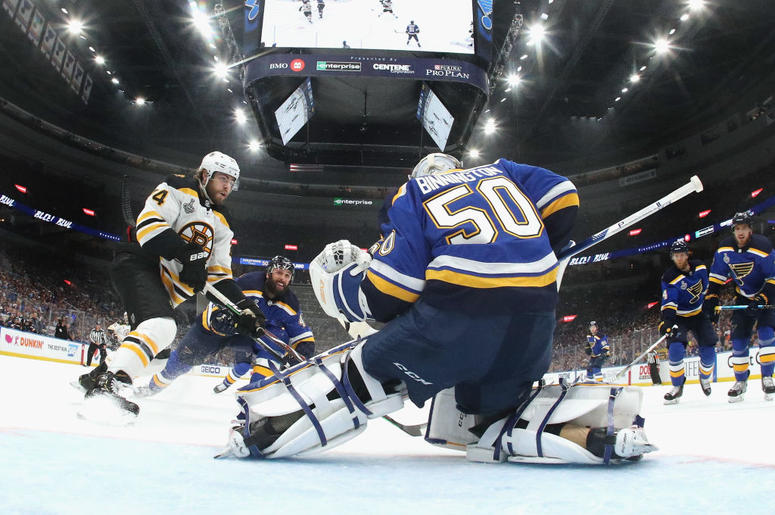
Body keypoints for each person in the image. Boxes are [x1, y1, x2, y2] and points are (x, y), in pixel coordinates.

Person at [220, 153, 656, 464]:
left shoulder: (413, 192)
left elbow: (389, 293)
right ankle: (600, 436)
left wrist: (340, 288)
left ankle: (263, 434)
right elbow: (564, 196)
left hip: (458, 320)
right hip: (535, 323)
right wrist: (541, 245)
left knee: (363, 370)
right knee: (492, 421)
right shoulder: (503, 171)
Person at [77, 151, 265, 417]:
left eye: (232, 181)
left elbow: (218, 277)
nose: (227, 186)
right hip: (141, 264)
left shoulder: (223, 223)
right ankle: (109, 388)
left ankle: (98, 375)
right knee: (161, 327)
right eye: (222, 178)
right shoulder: (178, 187)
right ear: (204, 175)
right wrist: (188, 255)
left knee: (159, 358)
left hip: (165, 288)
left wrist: (245, 310)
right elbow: (149, 227)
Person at [137, 256, 315, 396]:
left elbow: (301, 335)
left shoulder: (290, 303)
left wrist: (302, 354)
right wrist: (217, 319)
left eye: (287, 275)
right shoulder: (249, 283)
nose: (282, 279)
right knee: (182, 362)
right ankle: (152, 388)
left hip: (250, 334)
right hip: (216, 329)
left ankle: (256, 397)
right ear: (268, 274)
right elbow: (221, 298)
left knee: (279, 338)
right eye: (278, 273)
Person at [704, 211, 775, 402]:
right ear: (733, 231)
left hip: (766, 296)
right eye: (737, 228)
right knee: (738, 340)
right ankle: (740, 382)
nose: (741, 232)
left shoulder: (763, 247)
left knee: (766, 333)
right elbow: (717, 277)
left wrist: (762, 299)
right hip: (743, 297)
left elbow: (773, 278)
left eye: (744, 228)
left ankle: (767, 377)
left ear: (750, 229)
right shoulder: (724, 249)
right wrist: (711, 298)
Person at [659, 239, 717, 404]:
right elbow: (669, 302)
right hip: (679, 317)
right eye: (676, 255)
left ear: (687, 255)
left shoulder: (700, 267)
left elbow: (707, 289)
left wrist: (711, 304)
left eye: (682, 254)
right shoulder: (669, 277)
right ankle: (677, 386)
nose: (679, 258)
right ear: (672, 257)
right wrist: (668, 322)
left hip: (698, 314)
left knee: (709, 349)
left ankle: (704, 378)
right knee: (676, 349)